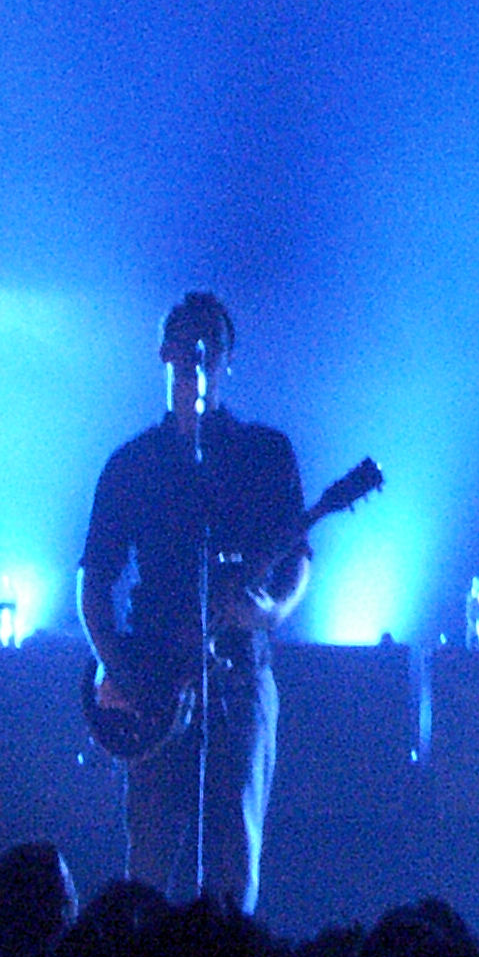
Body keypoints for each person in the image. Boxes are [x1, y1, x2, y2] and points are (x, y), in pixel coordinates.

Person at [77, 292, 310, 912]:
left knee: (233, 856)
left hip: (237, 677)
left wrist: (268, 612)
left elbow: (298, 561)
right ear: (163, 354)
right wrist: (119, 671)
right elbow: (93, 581)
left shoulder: (264, 453)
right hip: (155, 681)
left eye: (208, 348)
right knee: (148, 863)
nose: (195, 361)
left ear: (226, 359)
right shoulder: (131, 464)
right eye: (183, 348)